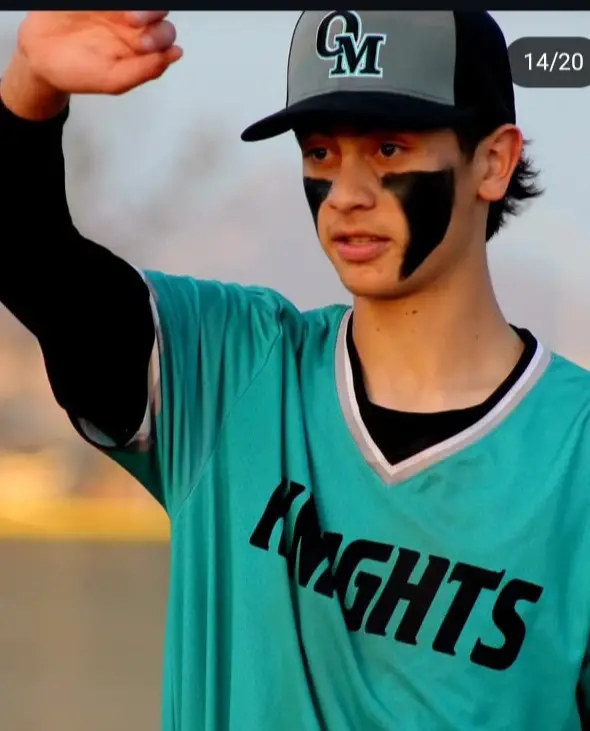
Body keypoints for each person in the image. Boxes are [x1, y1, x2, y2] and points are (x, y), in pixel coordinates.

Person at [2, 8, 590, 731]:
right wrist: (30, 87)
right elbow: (32, 261)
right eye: (321, 152)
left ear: (493, 162)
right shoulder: (229, 370)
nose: (346, 192)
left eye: (389, 148)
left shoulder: (577, 454)